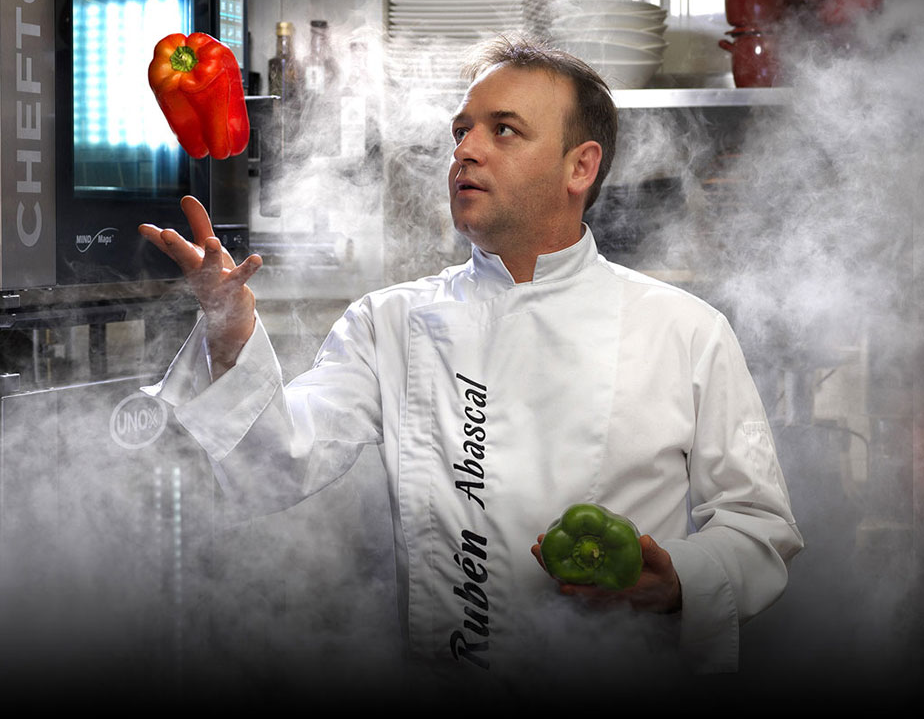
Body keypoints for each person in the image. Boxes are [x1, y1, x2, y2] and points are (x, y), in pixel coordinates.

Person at [139, 36, 802, 693]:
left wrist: (678, 578)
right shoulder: (388, 323)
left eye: (504, 131)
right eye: (462, 130)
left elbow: (759, 530)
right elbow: (276, 460)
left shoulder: (685, 331)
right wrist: (228, 331)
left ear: (581, 166)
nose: (465, 150)